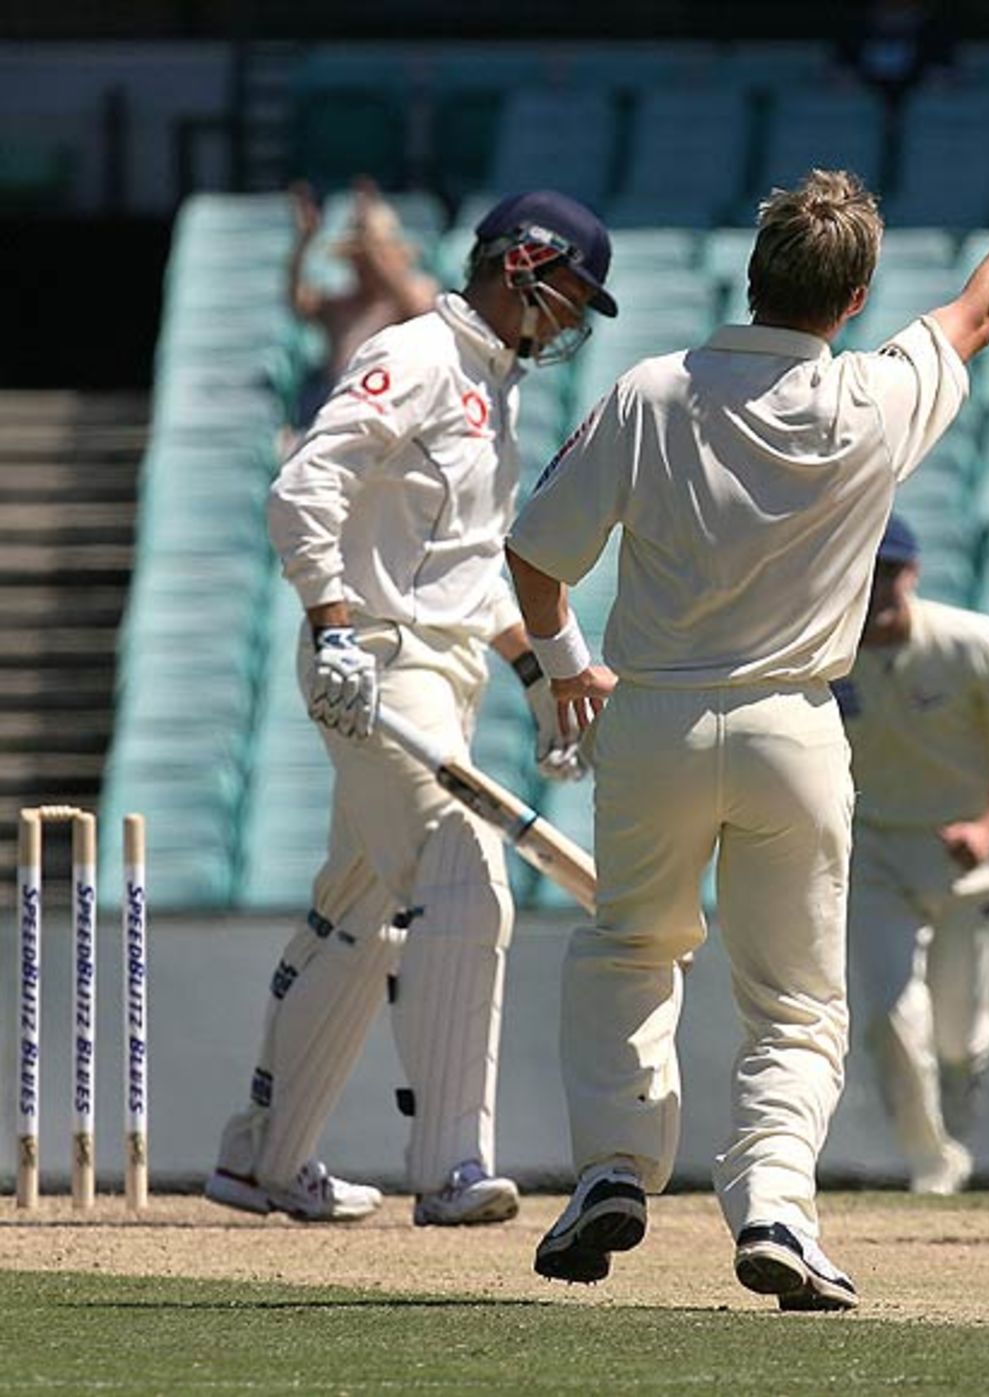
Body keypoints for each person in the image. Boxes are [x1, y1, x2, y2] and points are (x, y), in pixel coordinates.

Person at [503, 64, 989, 1308]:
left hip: (656, 716)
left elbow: (532, 554)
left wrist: (567, 667)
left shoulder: (653, 388)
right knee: (794, 998)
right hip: (795, 726)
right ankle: (774, 1203)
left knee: (631, 947)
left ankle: (616, 1168)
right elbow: (983, 311)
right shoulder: (875, 394)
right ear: (853, 297)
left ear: (754, 273)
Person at [205, 190, 619, 1224]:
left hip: (441, 673)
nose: (573, 321)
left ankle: (263, 1158)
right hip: (375, 664)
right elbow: (304, 488)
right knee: (464, 876)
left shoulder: (493, 384)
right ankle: (451, 1166)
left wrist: (541, 678)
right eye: (572, 294)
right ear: (525, 264)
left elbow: (472, 572)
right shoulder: (418, 355)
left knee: (359, 912)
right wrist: (333, 623)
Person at [836, 515, 989, 1195]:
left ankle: (956, 1118)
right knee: (889, 1017)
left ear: (913, 573)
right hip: (874, 850)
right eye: (863, 572)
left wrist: (988, 826)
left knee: (959, 1034)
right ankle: (932, 1165)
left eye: (888, 572)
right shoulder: (825, 652)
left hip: (967, 856)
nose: (876, 589)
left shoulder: (973, 642)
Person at [288, 177, 440, 426]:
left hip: (396, 414)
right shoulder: (340, 305)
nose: (364, 267)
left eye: (371, 258)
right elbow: (297, 302)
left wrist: (374, 248)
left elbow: (416, 308)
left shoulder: (416, 294)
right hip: (337, 410)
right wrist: (303, 244)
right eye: (358, 259)